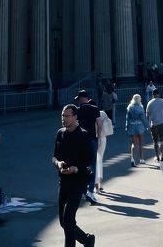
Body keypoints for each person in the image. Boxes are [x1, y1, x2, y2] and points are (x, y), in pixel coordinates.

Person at [52, 104, 96, 247]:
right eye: (62, 115)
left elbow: (89, 160)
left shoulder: (83, 135)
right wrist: (58, 164)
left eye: (67, 116)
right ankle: (87, 240)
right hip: (63, 182)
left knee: (68, 220)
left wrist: (76, 168)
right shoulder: (60, 133)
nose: (64, 118)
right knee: (63, 222)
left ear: (75, 117)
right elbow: (54, 156)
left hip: (78, 182)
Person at [75, 90, 101, 204]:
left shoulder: (77, 110)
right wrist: (98, 137)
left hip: (80, 141)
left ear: (81, 98)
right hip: (92, 139)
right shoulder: (95, 109)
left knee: (81, 164)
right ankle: (90, 190)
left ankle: (82, 189)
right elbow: (99, 124)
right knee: (92, 165)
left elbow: (74, 125)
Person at [146, 90, 163, 162]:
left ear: (152, 95)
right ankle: (162, 156)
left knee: (155, 142)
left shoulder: (150, 103)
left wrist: (149, 124)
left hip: (154, 124)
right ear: (159, 94)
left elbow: (147, 115)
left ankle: (157, 157)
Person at [125, 94, 149, 166]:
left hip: (132, 126)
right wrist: (147, 126)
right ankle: (141, 159)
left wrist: (126, 127)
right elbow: (143, 119)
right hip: (140, 126)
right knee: (141, 143)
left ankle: (132, 158)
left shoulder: (129, 107)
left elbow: (127, 119)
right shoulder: (140, 108)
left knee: (133, 144)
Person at [94, 108, 113, 192]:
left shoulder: (92, 114)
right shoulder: (102, 113)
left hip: (95, 138)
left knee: (94, 162)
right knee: (100, 160)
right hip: (103, 137)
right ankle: (100, 183)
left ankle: (95, 185)